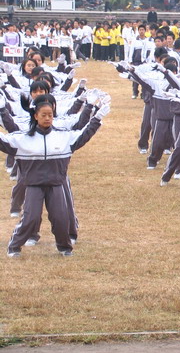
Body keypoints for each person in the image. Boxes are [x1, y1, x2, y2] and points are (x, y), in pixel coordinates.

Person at [3, 94, 110, 257]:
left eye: (50, 115)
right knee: (31, 218)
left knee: (61, 218)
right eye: (43, 115)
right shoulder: (23, 139)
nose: (47, 118)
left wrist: (97, 119)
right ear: (35, 116)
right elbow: (3, 141)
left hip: (56, 184)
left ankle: (64, 247)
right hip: (34, 185)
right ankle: (14, 246)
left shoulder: (63, 136)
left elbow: (83, 135)